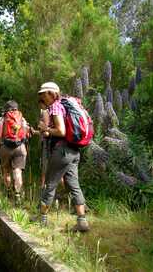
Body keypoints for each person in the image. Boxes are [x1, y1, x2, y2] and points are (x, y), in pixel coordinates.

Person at [34, 82, 90, 232]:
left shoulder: (56, 106)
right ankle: (82, 221)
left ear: (52, 93)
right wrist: (47, 131)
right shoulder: (65, 105)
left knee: (50, 183)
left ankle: (42, 218)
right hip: (74, 151)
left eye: (44, 94)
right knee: (73, 184)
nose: (42, 98)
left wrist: (46, 128)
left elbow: (61, 131)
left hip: (62, 151)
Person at [0, 100, 30, 206]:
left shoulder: (2, 119)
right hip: (20, 147)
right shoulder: (21, 118)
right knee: (18, 171)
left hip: (6, 147)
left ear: (6, 109)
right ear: (16, 108)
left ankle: (9, 191)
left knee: (6, 171)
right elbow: (26, 132)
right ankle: (18, 195)